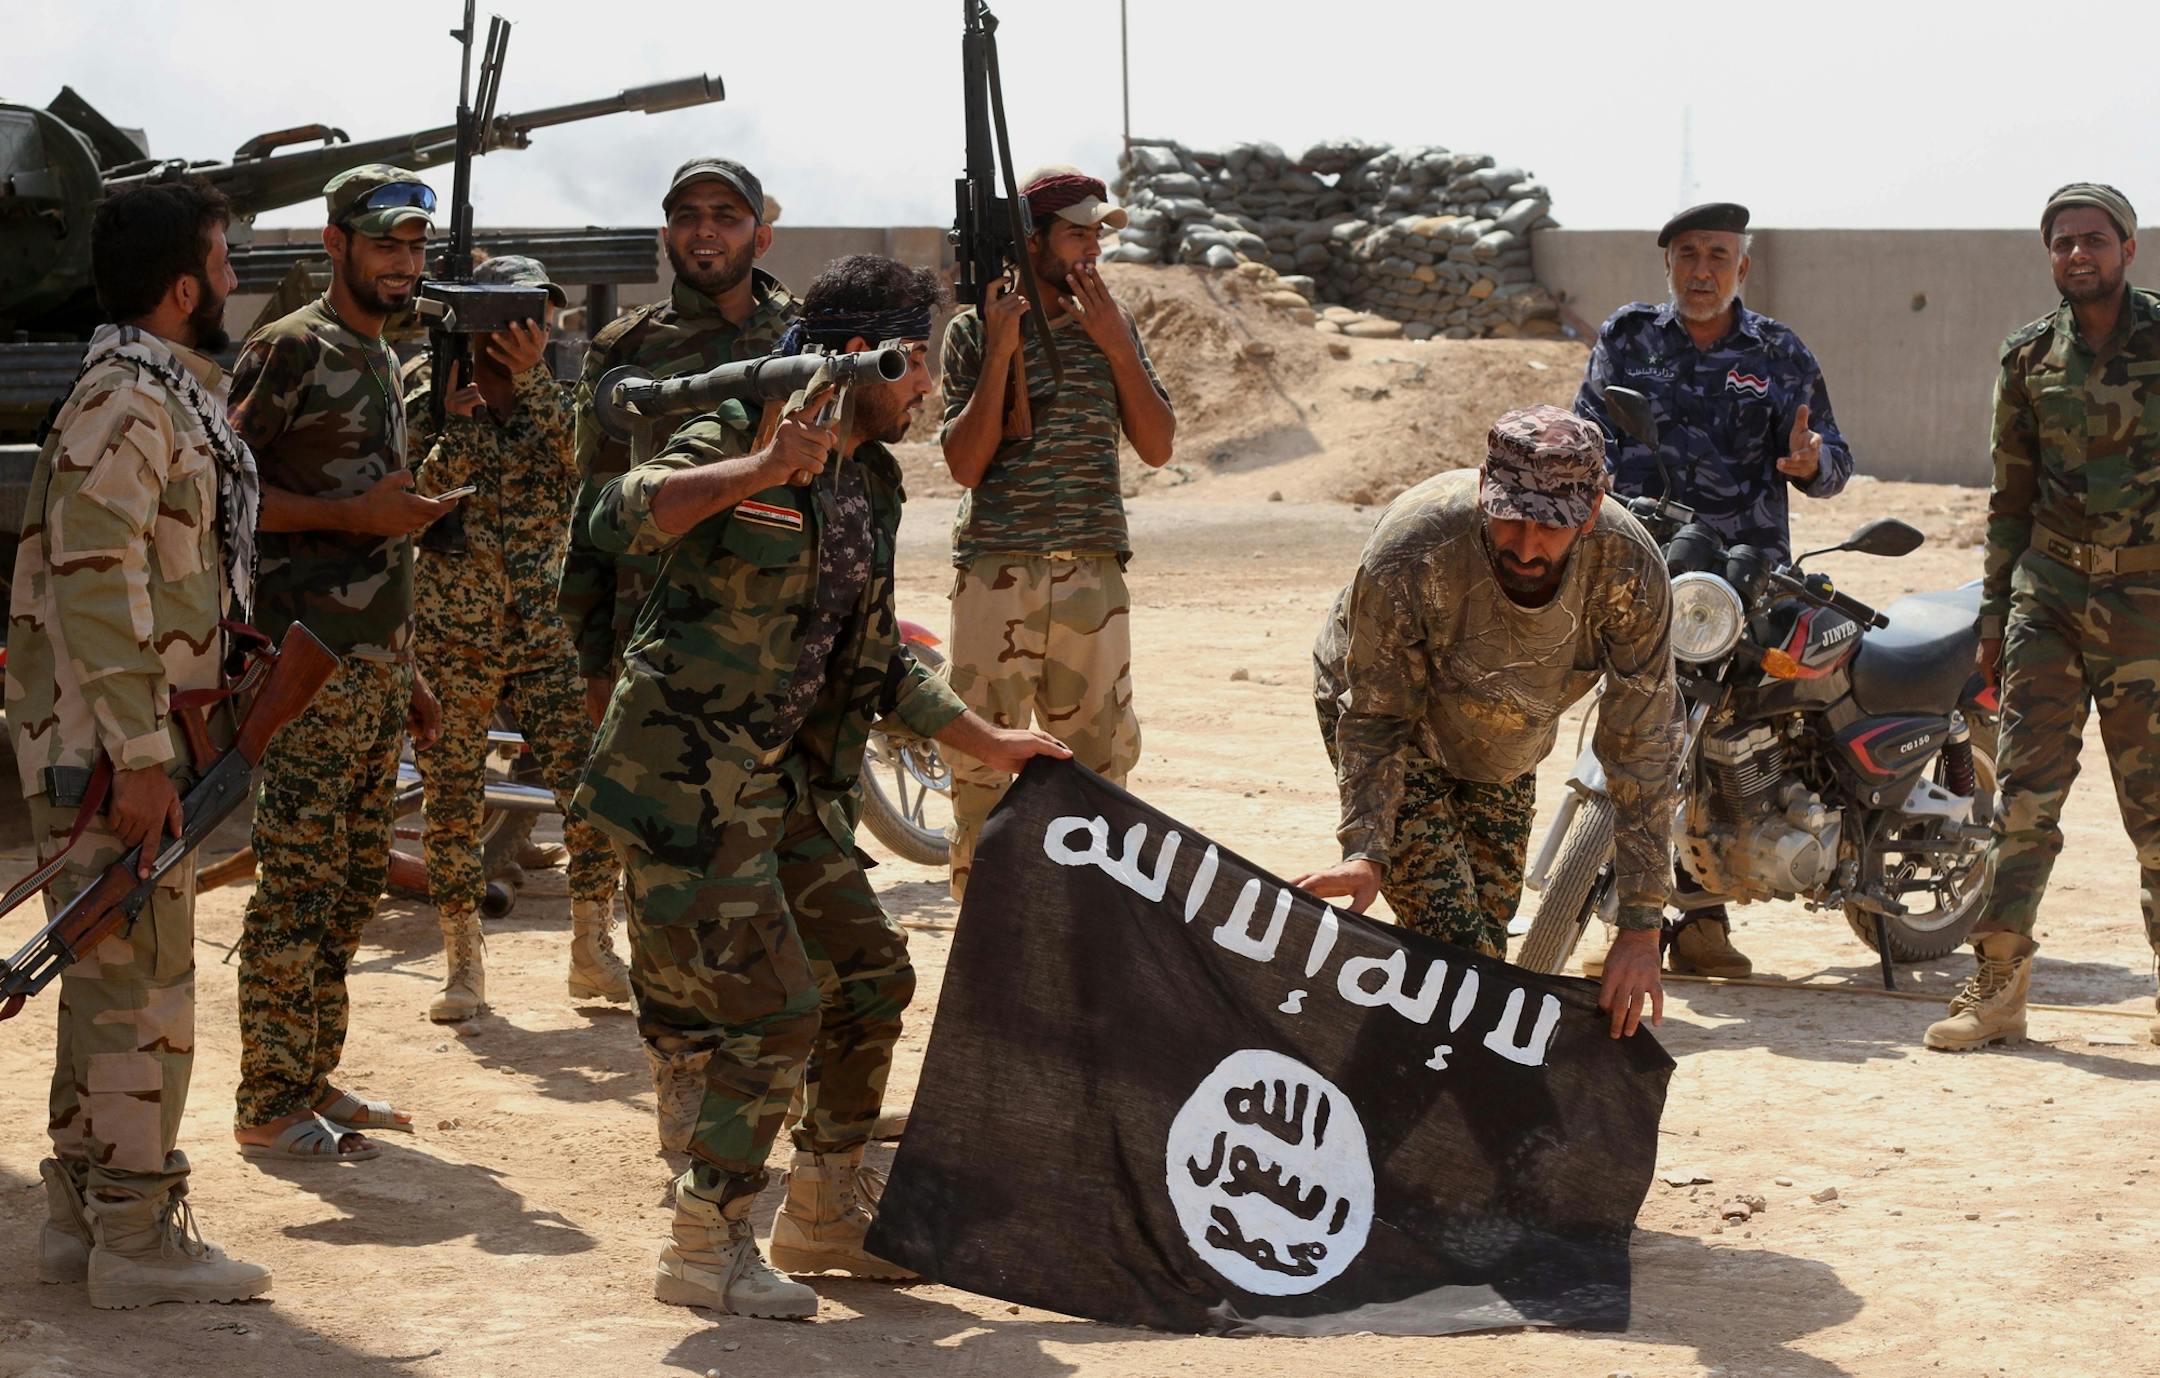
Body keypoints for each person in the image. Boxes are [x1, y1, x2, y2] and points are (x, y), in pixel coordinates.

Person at [570, 254, 1071, 1320]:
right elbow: (611, 516)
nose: (927, 389)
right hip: (683, 785)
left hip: (782, 792)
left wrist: (989, 738)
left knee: (872, 978)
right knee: (776, 1010)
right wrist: (756, 470)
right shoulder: (746, 433)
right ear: (860, 358)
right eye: (915, 368)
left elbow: (878, 657)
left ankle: (824, 1212)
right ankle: (706, 1242)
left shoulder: (872, 483)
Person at [4, 178, 274, 1308]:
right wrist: (144, 751)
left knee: (111, 973)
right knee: (145, 989)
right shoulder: (133, 404)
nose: (230, 279)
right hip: (119, 743)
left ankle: (85, 1217)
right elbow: (94, 580)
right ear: (180, 287)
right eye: (219, 260)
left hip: (131, 731)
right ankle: (139, 1237)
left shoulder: (158, 394)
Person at [1293, 406, 1677, 1042]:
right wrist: (1368, 849)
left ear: (1590, 510)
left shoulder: (1627, 570)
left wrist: (1640, 927)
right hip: (1400, 728)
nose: (1526, 546)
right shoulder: (1416, 544)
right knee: (1460, 954)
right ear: (1482, 489)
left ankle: (1423, 1075)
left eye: (1550, 526)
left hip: (1506, 741)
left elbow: (1643, 745)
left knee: (1485, 952)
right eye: (1511, 516)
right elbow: (1377, 716)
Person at [227, 164, 459, 1161]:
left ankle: (312, 1074)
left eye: (415, 247)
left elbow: (378, 545)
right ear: (335, 245)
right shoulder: (293, 349)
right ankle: (267, 1099)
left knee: (354, 881)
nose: (404, 263)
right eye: (385, 244)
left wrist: (407, 675)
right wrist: (349, 515)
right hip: (301, 671)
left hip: (366, 672)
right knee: (299, 884)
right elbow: (220, 498)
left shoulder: (376, 357)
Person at [561, 158, 797, 1123]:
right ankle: (685, 1091)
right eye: (688, 217)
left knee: (781, 872)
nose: (707, 234)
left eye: (726, 217)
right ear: (665, 234)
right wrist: (589, 658)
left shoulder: (805, 339)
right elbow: (586, 506)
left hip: (780, 644)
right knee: (665, 886)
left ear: (760, 234)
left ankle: (782, 1084)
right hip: (657, 652)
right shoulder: (625, 349)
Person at [1571, 200, 1855, 979]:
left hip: (1740, 577)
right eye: (1688, 253)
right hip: (1638, 558)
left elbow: (1835, 461)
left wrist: (1808, 465)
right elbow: (1585, 432)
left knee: (1710, 735)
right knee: (1630, 726)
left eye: (1718, 256)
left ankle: (1699, 924)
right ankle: (1602, 901)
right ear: (1667, 262)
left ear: (1744, 268)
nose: (1702, 270)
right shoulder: (1629, 337)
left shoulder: (1779, 352)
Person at [1927, 181, 2160, 1052]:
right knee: (2022, 799)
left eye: (2094, 240)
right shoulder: (2029, 358)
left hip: (2149, 608)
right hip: (2050, 603)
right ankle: (1997, 985)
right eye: (2062, 242)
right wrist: (1994, 618)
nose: (2077, 255)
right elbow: (2009, 499)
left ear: (2128, 249)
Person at [937, 164, 1177, 902]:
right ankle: (986, 930)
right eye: (1077, 233)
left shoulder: (1114, 322)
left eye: (1098, 233)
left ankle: (1092, 938)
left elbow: (1158, 444)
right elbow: (964, 465)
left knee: (1101, 770)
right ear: (1032, 240)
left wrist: (1117, 348)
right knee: (982, 767)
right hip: (997, 572)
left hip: (1091, 575)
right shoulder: (976, 328)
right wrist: (1002, 352)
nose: (1093, 249)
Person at [402, 255, 630, 1021]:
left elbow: (581, 467)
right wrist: (460, 427)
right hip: (453, 632)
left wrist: (529, 382)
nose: (523, 330)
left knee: (589, 786)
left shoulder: (560, 396)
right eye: (508, 315)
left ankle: (592, 949)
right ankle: (463, 965)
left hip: (542, 628)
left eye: (536, 315)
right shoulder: (423, 387)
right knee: (453, 798)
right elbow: (415, 500)